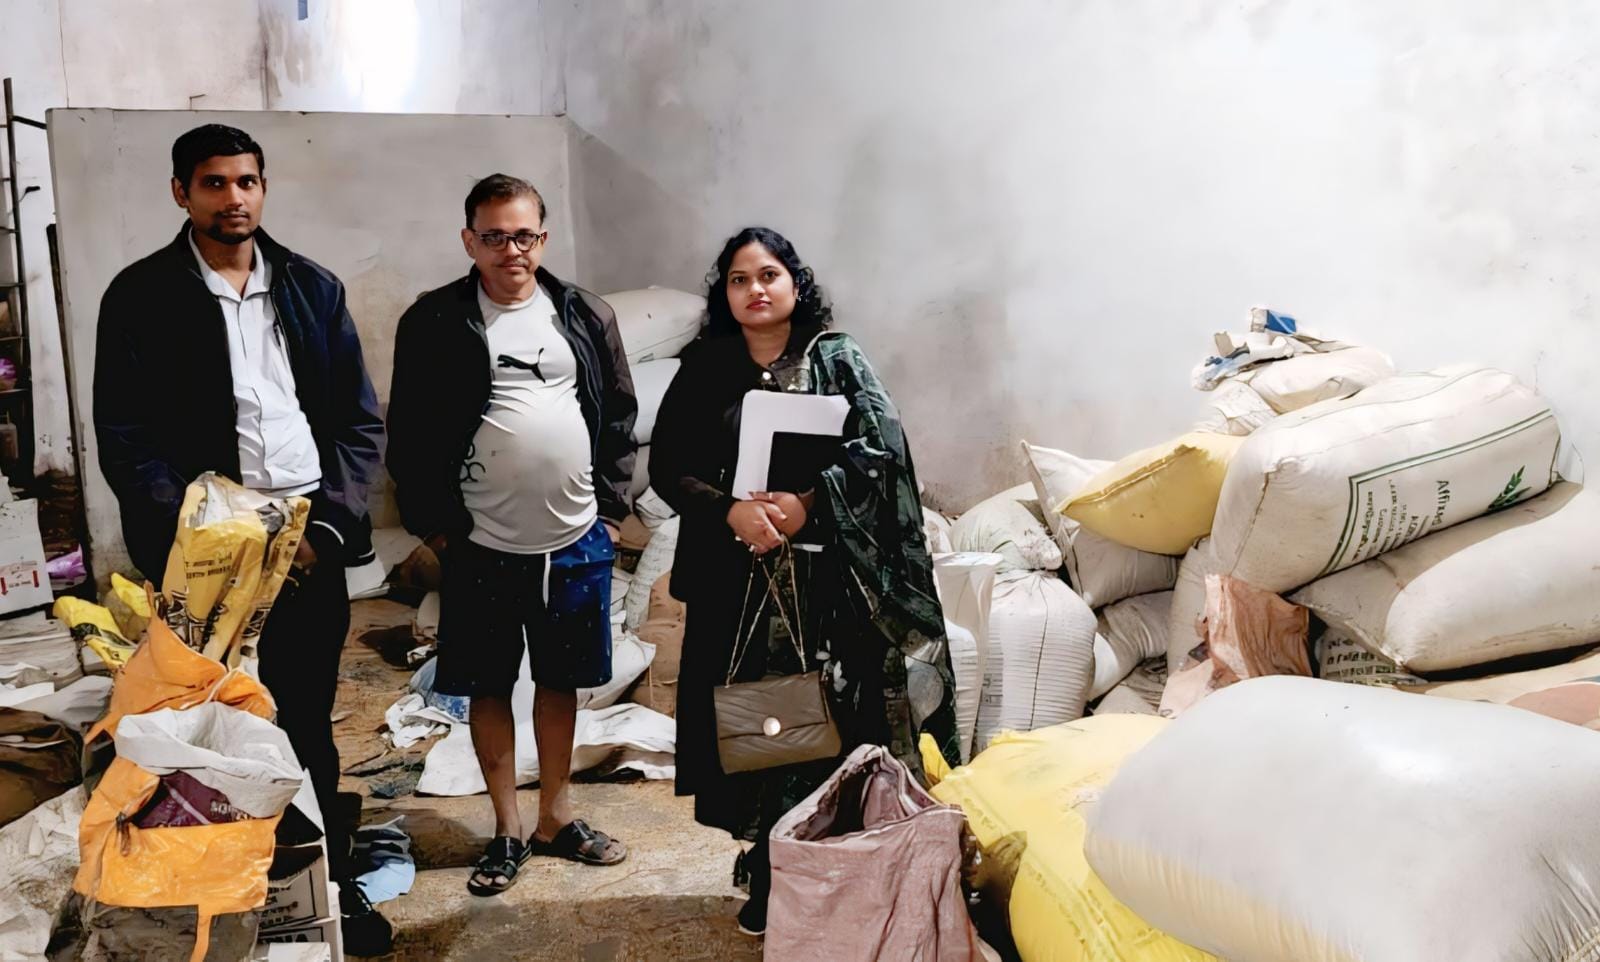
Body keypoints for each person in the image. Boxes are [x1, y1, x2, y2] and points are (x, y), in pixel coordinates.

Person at [92, 124, 390, 953]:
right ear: (181, 192)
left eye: (247, 181)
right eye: (215, 183)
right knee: (212, 729)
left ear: (264, 187)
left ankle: (329, 887)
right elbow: (125, 438)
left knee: (306, 719)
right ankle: (221, 903)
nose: (235, 198)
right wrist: (204, 535)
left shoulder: (310, 287)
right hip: (204, 558)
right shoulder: (141, 295)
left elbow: (359, 423)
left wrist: (324, 526)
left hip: (306, 545)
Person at [650, 226, 961, 936]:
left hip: (829, 583)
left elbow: (881, 451)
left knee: (832, 725)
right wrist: (730, 510)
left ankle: (840, 869)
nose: (755, 290)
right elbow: (669, 465)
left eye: (768, 275)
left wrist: (809, 502)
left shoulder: (837, 357)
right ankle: (771, 867)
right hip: (736, 580)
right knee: (761, 725)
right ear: (725, 294)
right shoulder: (704, 366)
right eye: (739, 279)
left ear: (795, 283)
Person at [386, 174, 638, 896]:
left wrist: (609, 512)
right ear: (469, 241)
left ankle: (556, 817)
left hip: (575, 538)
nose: (510, 250)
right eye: (493, 236)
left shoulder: (583, 313)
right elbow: (408, 432)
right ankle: (506, 827)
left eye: (523, 235)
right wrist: (438, 530)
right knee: (487, 686)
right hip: (481, 544)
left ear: (543, 239)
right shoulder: (435, 319)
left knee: (560, 682)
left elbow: (619, 413)